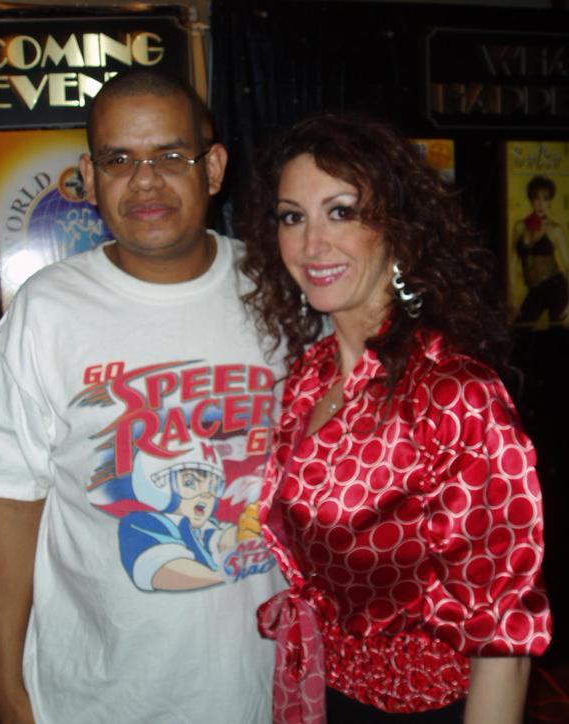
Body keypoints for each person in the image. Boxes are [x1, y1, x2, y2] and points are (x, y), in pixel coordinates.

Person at [0, 68, 285, 724]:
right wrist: (3, 685)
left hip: (264, 688)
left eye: (170, 156)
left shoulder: (280, 292)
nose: (145, 181)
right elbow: (12, 506)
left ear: (213, 167)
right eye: (119, 160)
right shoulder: (46, 312)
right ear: (89, 176)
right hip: (94, 696)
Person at [237, 112, 552, 723]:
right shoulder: (309, 378)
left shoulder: (453, 395)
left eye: (342, 211)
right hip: (324, 690)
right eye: (292, 217)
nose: (311, 244)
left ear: (398, 228)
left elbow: (502, 641)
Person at [511, 174, 569, 326]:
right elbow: (513, 263)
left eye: (545, 198)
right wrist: (512, 297)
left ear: (550, 201)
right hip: (534, 290)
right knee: (520, 329)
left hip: (556, 287)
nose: (541, 204)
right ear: (531, 199)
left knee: (557, 334)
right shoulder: (519, 227)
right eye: (536, 198)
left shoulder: (555, 230)